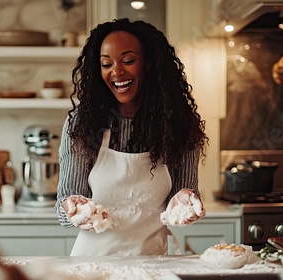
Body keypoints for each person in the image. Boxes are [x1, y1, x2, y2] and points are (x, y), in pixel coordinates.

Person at [54, 18, 208, 256]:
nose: (117, 72)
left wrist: (186, 203)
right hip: (92, 266)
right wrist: (72, 208)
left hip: (153, 264)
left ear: (147, 63)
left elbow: (182, 199)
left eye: (128, 61)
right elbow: (65, 203)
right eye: (106, 64)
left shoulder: (178, 126)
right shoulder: (82, 126)